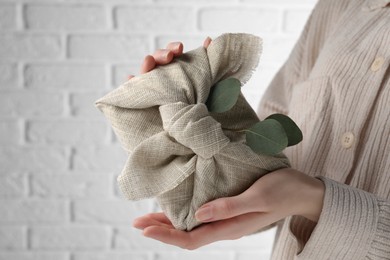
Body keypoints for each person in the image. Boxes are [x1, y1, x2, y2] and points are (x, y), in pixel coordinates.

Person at [130, 0, 390, 258]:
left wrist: (312, 199)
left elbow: (290, 191)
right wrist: (179, 117)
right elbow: (262, 161)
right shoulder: (339, 7)